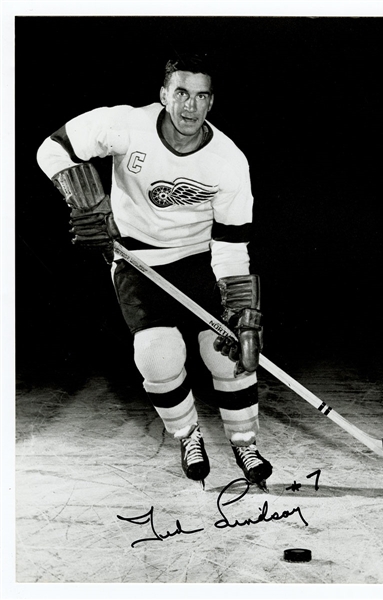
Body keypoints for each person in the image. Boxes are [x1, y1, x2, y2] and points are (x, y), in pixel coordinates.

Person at [36, 52, 272, 489]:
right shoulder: (126, 125)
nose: (190, 106)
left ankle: (244, 442)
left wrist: (239, 309)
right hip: (136, 260)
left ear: (211, 102)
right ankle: (187, 435)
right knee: (157, 357)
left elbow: (232, 241)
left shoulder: (229, 161)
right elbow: (52, 148)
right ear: (164, 94)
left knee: (230, 357)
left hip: (200, 259)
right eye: (181, 92)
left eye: (201, 96)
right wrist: (85, 201)